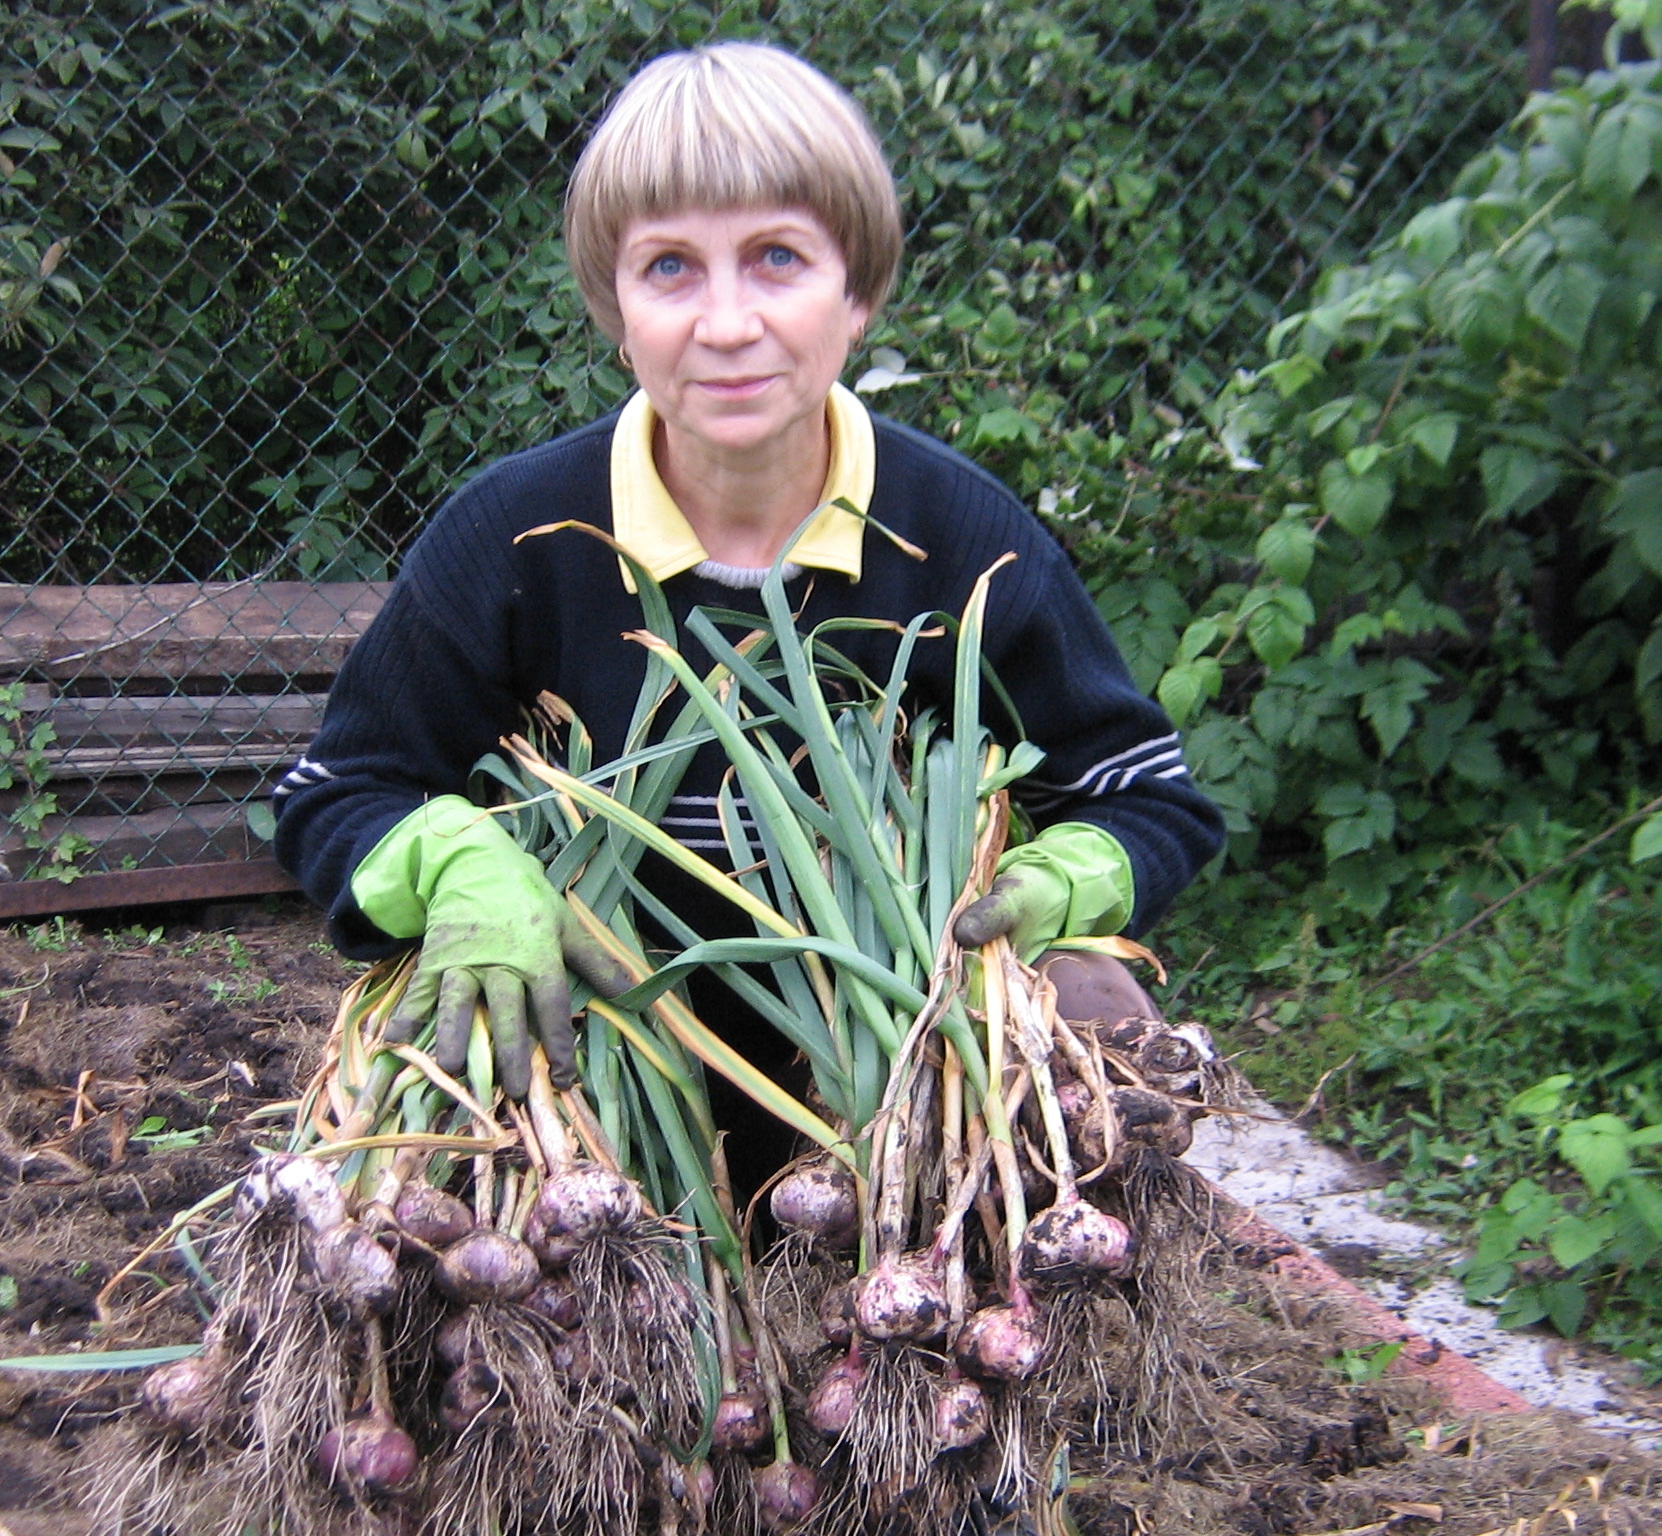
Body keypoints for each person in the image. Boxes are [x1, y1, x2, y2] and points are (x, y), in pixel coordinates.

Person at [271, 42, 1226, 1120]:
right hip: (595, 1079)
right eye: (669, 268)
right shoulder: (516, 537)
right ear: (616, 311)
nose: (726, 325)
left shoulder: (959, 539)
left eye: (777, 257)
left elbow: (1144, 796)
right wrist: (456, 865)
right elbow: (334, 795)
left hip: (905, 1074)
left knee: (1096, 1004)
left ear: (858, 293)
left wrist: (1053, 886)